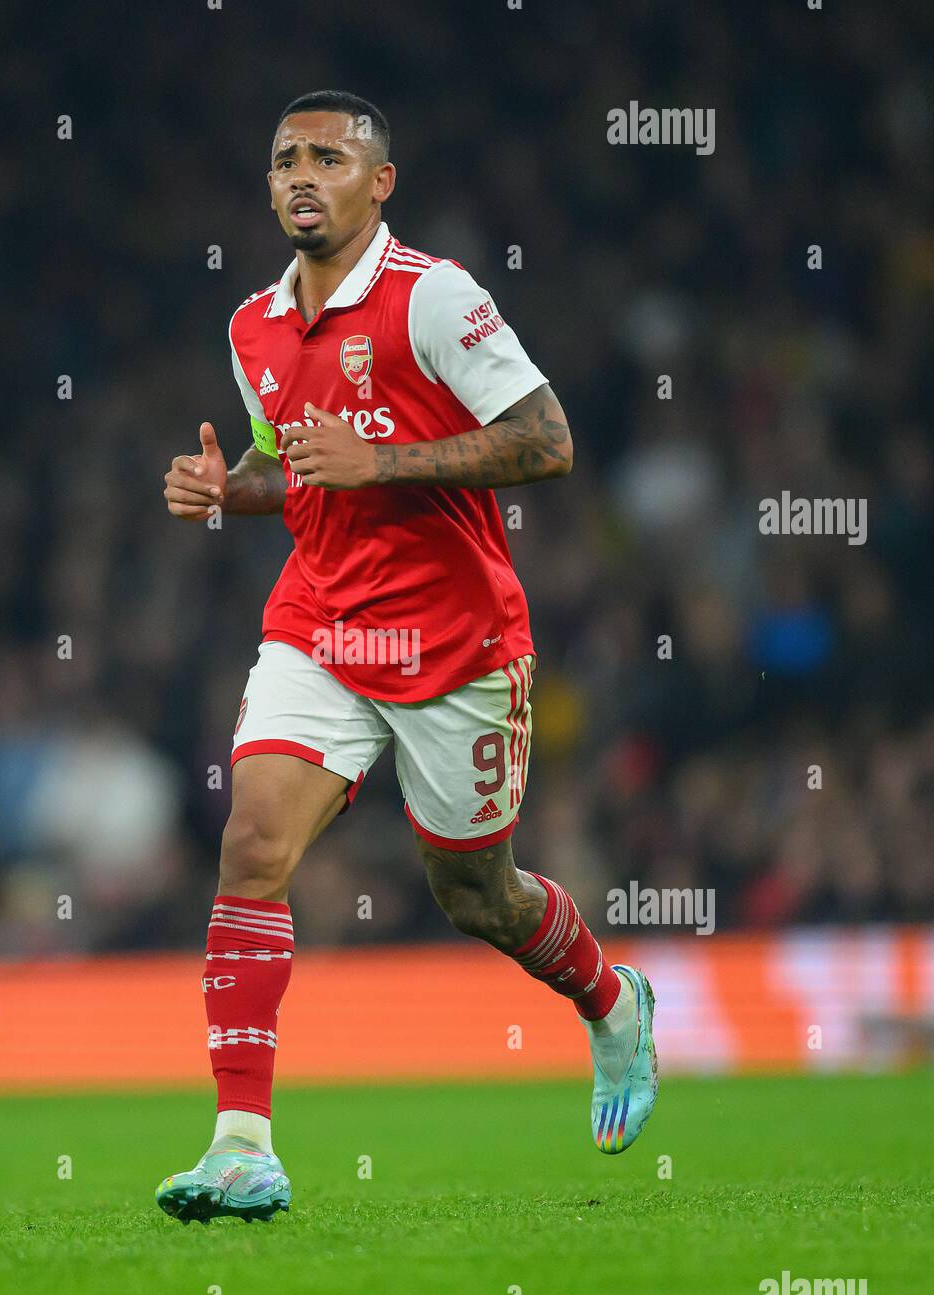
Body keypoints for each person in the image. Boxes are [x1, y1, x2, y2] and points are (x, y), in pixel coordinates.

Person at [156, 90, 657, 1223]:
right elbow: (291, 469)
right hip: (320, 626)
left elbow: (547, 441)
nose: (299, 173)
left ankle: (608, 1000)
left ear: (378, 183)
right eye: (283, 156)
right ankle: (241, 1145)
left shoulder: (436, 298)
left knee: (474, 892)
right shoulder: (250, 328)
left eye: (327, 157)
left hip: (455, 643)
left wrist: (381, 465)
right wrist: (223, 490)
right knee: (250, 840)